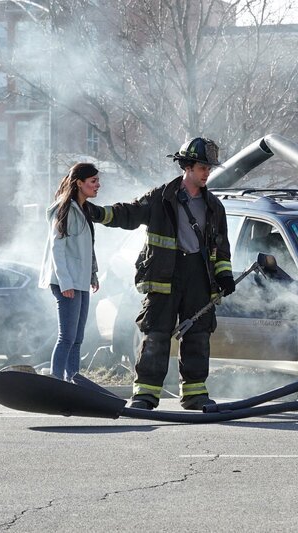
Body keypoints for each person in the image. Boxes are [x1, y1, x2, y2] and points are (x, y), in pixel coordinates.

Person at [86, 137, 234, 410]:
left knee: (198, 336)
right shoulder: (161, 197)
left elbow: (221, 248)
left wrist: (224, 275)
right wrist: (97, 213)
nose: (207, 173)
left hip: (199, 277)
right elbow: (129, 214)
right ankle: (145, 395)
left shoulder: (215, 207)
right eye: (203, 167)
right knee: (156, 334)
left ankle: (195, 395)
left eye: (209, 168)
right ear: (187, 167)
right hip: (164, 275)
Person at [38, 163, 101, 381]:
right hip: (67, 282)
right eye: (93, 181)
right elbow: (58, 248)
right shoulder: (63, 209)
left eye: (97, 180)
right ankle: (57, 381)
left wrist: (93, 274)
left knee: (77, 338)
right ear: (79, 183)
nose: (97, 185)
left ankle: (73, 379)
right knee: (67, 337)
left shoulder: (84, 210)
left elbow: (87, 247)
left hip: (81, 281)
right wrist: (65, 282)